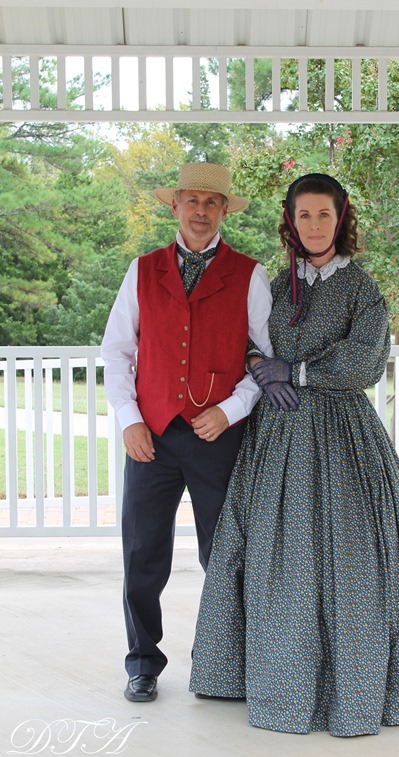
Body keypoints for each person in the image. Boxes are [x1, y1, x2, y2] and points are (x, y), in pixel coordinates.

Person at [189, 172, 399, 737]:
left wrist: (299, 370)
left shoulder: (362, 287)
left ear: (342, 219)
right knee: (274, 552)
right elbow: (234, 335)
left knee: (351, 556)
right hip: (276, 434)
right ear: (290, 219)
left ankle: (357, 683)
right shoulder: (267, 280)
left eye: (325, 215)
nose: (314, 226)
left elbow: (365, 362)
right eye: (304, 215)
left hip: (343, 437)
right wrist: (258, 365)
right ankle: (263, 675)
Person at [101, 162, 275, 703]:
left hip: (217, 437)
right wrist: (129, 419)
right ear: (174, 206)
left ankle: (223, 664)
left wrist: (231, 409)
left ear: (225, 210)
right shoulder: (142, 269)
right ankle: (142, 662)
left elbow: (268, 361)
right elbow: (116, 351)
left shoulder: (250, 274)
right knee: (142, 554)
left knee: (223, 556)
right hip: (149, 436)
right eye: (192, 201)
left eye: (212, 202)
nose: (201, 211)